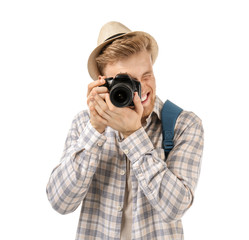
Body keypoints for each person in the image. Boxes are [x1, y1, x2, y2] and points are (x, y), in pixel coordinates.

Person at [46, 21, 204, 240]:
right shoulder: (84, 124)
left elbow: (175, 208)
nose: (140, 88)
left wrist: (133, 134)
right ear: (102, 83)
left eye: (146, 75)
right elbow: (60, 202)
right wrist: (96, 128)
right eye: (127, 81)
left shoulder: (182, 124)